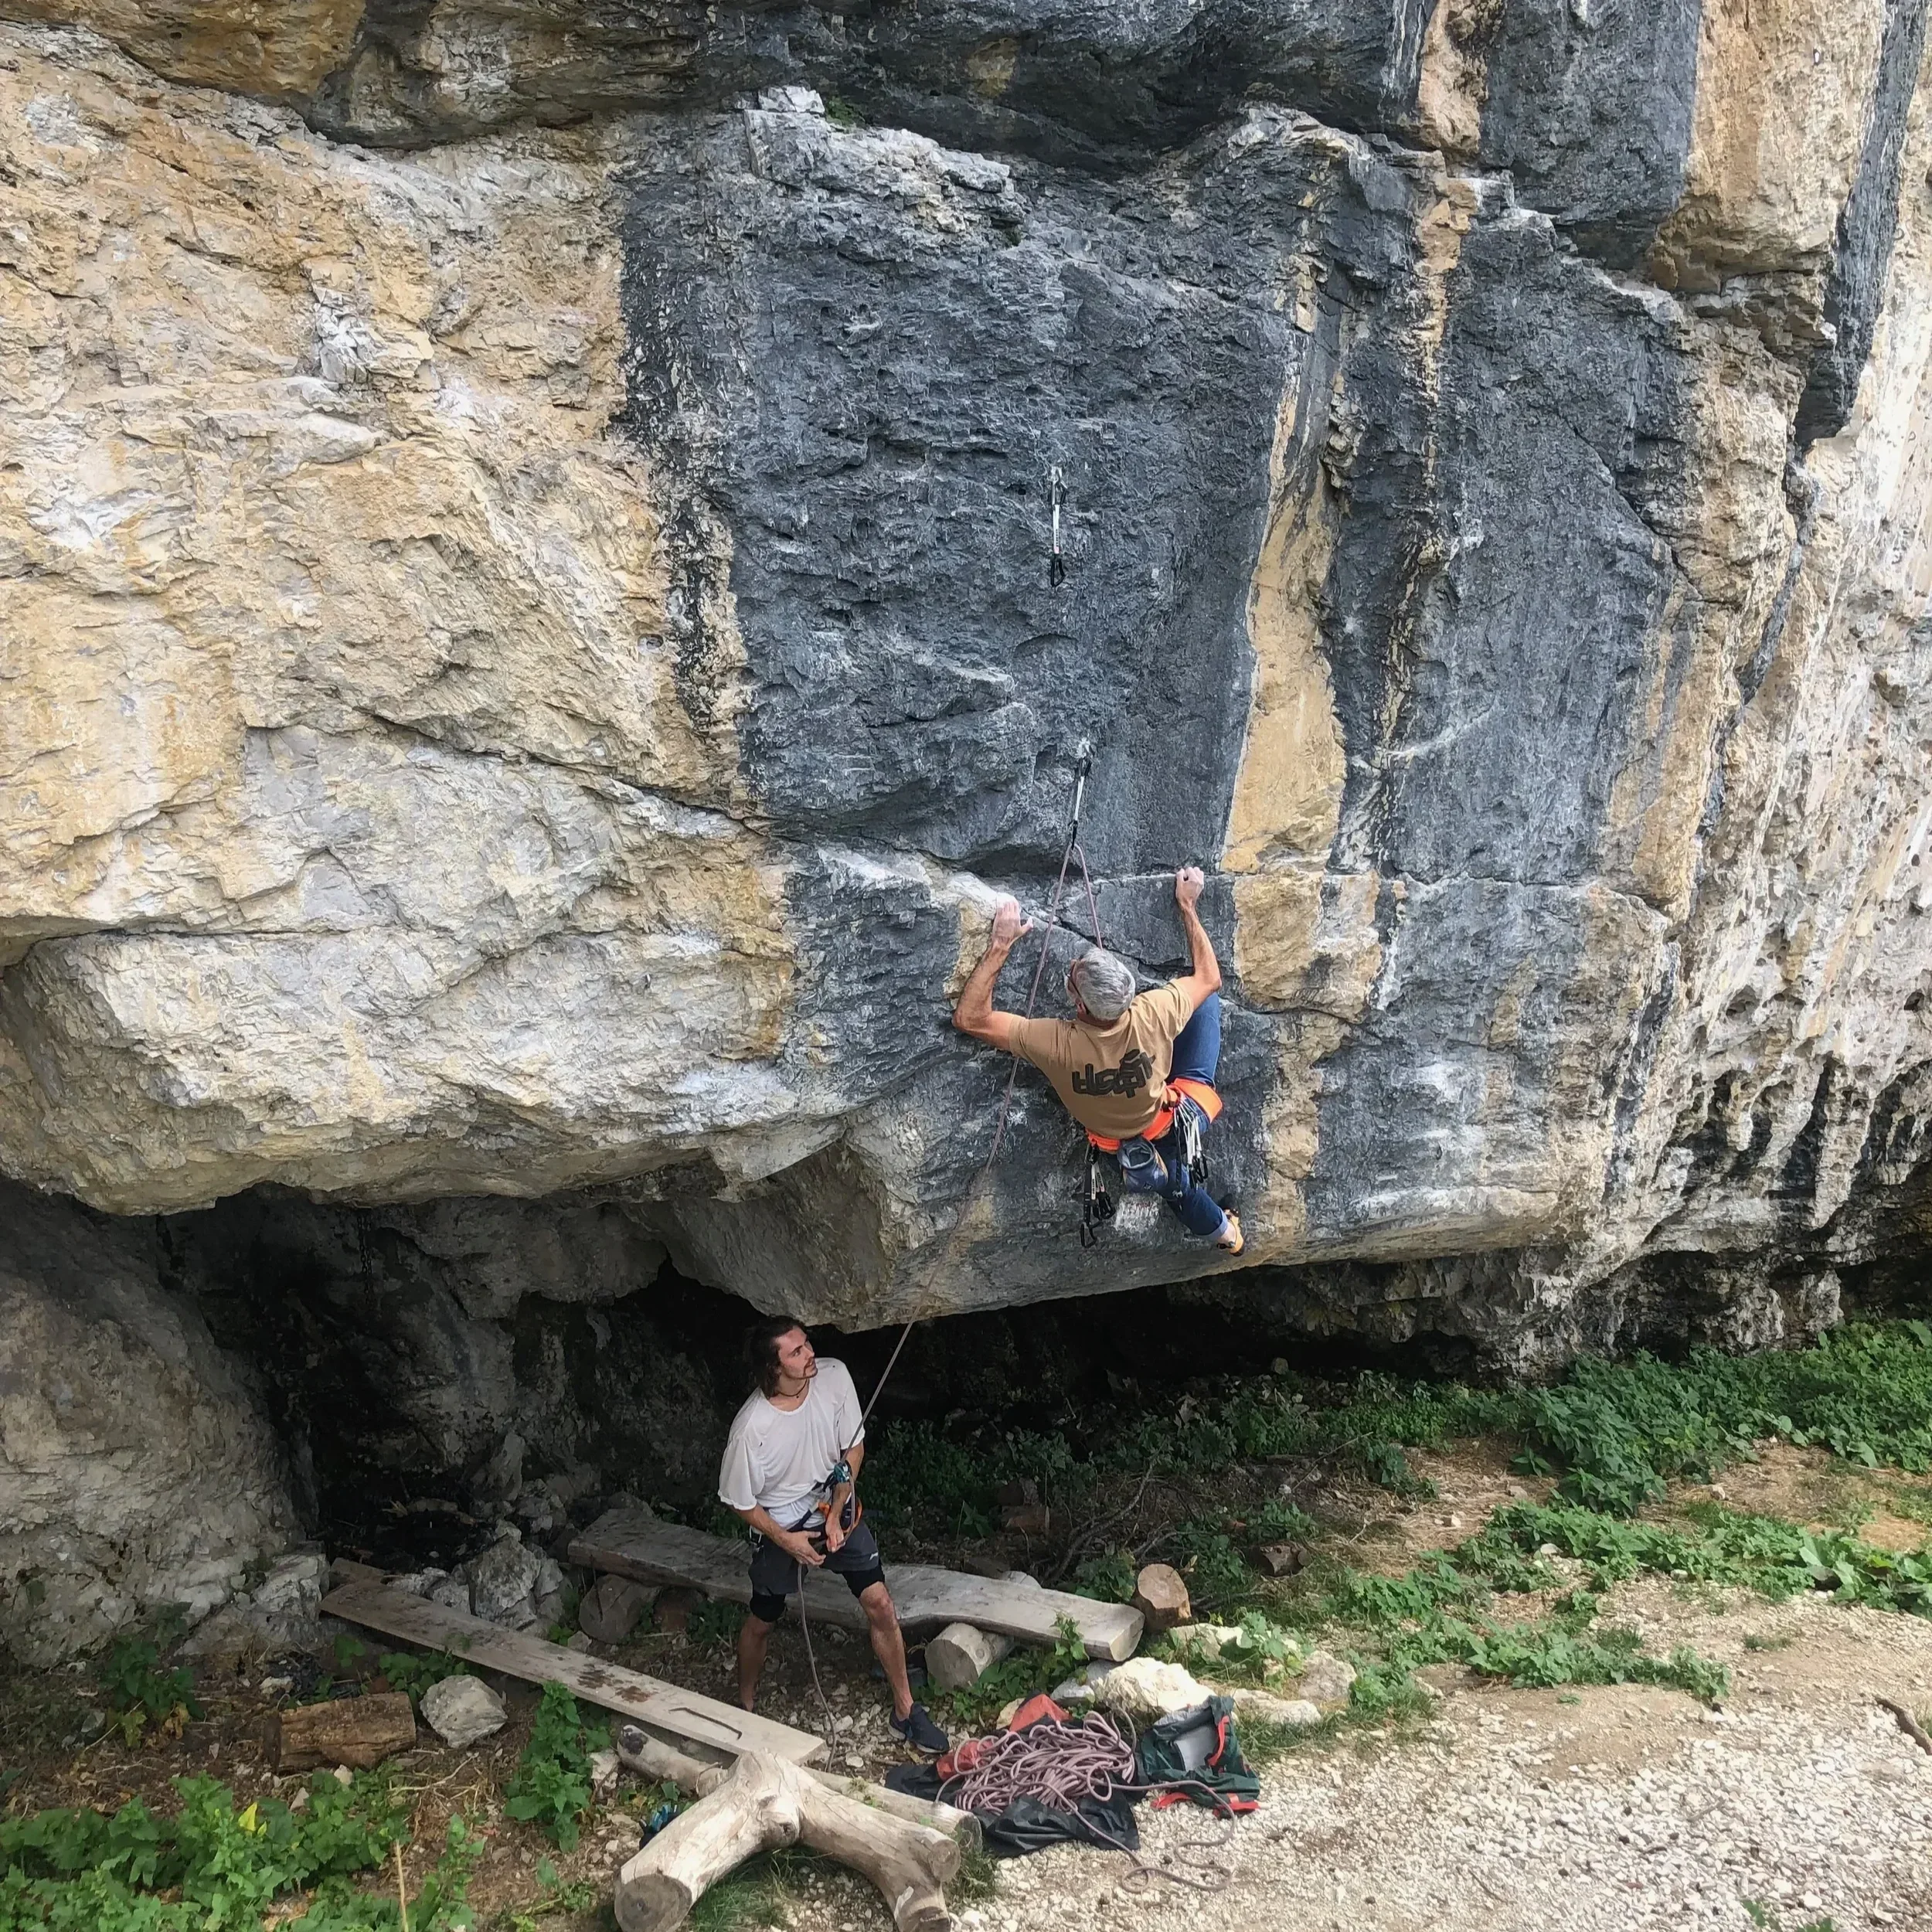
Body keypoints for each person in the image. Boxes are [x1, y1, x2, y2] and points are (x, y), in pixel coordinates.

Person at [951, 864, 1243, 1253]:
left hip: (1111, 1140)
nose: (1072, 971)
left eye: (1073, 977)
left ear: (1080, 1004)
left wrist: (1001, 945)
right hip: (1165, 1121)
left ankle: (1226, 1234)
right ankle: (1228, 1236)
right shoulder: (1153, 1011)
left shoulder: (1054, 1043)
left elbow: (971, 1019)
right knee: (1203, 1001)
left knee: (1177, 1185)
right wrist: (1188, 906)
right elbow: (1209, 978)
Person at [717, 1316, 949, 1753]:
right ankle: (744, 1706)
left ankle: (906, 1710)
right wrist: (788, 1542)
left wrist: (837, 1508)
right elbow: (739, 1501)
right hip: (782, 1527)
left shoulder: (835, 1377)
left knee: (880, 1602)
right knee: (763, 1622)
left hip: (832, 1508)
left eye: (808, 1345)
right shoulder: (751, 1430)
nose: (810, 1357)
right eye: (797, 1352)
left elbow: (853, 1450)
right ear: (773, 1369)